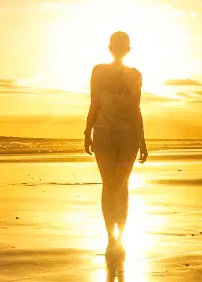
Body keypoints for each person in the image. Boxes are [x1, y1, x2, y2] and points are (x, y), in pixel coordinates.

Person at [84, 31, 148, 256]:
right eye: (116, 45)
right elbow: (94, 103)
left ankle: (120, 233)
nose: (119, 49)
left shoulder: (134, 75)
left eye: (122, 46)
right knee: (109, 184)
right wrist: (87, 131)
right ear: (110, 48)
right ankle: (111, 234)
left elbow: (135, 108)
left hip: (128, 134)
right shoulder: (98, 71)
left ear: (127, 50)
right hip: (103, 133)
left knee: (122, 185)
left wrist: (142, 139)